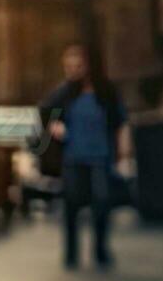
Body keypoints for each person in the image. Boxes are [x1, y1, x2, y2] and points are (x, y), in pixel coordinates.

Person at [39, 45, 130, 269]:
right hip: (74, 157)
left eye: (77, 66)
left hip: (100, 156)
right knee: (71, 205)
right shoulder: (64, 93)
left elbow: (121, 123)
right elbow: (45, 112)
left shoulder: (105, 93)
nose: (73, 71)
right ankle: (71, 254)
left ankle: (100, 250)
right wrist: (55, 127)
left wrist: (124, 153)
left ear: (88, 66)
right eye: (68, 67)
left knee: (102, 203)